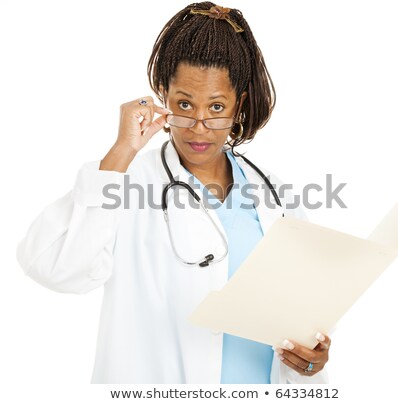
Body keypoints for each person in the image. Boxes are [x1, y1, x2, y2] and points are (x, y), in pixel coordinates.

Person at [16, 2, 331, 384]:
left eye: (216, 107)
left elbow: (304, 312)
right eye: (184, 105)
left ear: (239, 105)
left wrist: (311, 359)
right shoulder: (127, 182)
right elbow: (56, 269)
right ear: (162, 94)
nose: (198, 127)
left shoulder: (274, 194)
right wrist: (121, 151)